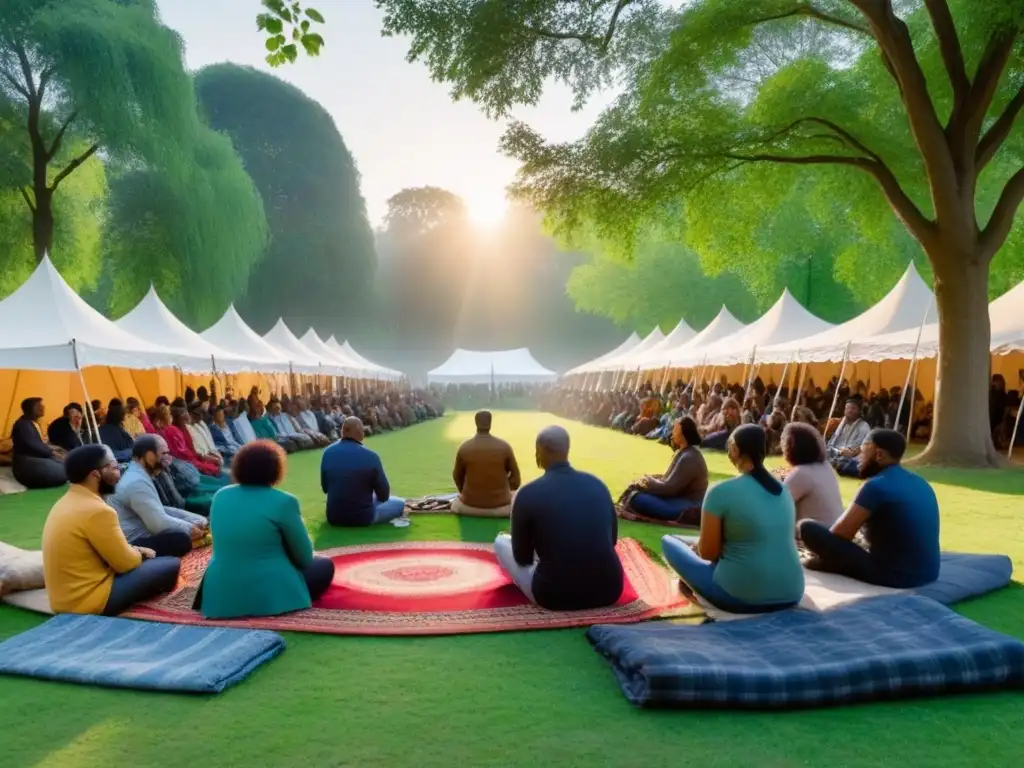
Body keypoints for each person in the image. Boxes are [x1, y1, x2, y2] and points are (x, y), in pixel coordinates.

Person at [661, 424, 804, 614]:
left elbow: (708, 553)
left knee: (669, 542)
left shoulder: (720, 491)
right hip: (792, 592)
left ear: (735, 449)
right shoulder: (783, 491)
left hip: (739, 595)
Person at [196, 441, 335, 619]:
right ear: (276, 469)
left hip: (220, 594)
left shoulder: (221, 496)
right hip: (267, 595)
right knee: (323, 565)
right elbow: (305, 557)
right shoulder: (284, 501)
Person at [41, 444, 181, 615]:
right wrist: (140, 554)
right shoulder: (97, 510)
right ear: (95, 475)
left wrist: (135, 550)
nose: (118, 474)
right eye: (114, 467)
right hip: (86, 602)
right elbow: (125, 564)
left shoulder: (64, 502)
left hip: (62, 601)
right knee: (171, 565)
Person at [494, 426, 623, 610]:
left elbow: (522, 558)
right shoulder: (597, 484)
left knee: (501, 542)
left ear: (539, 451)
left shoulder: (527, 493)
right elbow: (611, 540)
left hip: (554, 596)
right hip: (610, 590)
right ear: (566, 450)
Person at [799, 429, 940, 588]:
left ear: (879, 455)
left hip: (894, 576)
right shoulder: (921, 482)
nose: (859, 460)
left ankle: (834, 565)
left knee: (808, 528)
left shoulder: (875, 485)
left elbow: (840, 533)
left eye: (863, 454)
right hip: (930, 572)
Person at [109, 435, 208, 558]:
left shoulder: (138, 474)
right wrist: (190, 528)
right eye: (164, 453)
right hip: (134, 545)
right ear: (149, 455)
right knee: (181, 540)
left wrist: (195, 519)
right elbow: (159, 524)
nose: (168, 457)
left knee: (197, 523)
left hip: (146, 531)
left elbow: (160, 509)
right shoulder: (136, 482)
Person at [623, 416, 708, 525]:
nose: (672, 433)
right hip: (678, 499)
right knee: (638, 494)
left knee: (637, 498)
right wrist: (652, 479)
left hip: (690, 505)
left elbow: (669, 489)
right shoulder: (685, 452)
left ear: (682, 433)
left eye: (675, 429)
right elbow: (669, 479)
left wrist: (649, 482)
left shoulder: (690, 457)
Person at [321, 417, 404, 526]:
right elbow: (384, 495)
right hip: (364, 517)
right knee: (400, 503)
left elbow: (325, 488)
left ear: (342, 432)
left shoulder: (327, 453)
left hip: (334, 517)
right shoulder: (371, 456)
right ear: (360, 432)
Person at [451, 411, 522, 518]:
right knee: (517, 497)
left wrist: (468, 493)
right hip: (502, 508)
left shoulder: (464, 447)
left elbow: (457, 476)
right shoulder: (504, 446)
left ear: (476, 423)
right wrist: (503, 490)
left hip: (469, 507)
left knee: (455, 504)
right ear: (490, 423)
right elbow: (516, 479)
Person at [781, 422, 844, 529]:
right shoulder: (825, 466)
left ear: (790, 447)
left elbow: (773, 508)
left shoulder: (802, 473)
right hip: (834, 531)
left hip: (816, 537)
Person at [11, 397, 66, 489]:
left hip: (36, 458)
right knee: (63, 471)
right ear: (30, 409)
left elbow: (39, 445)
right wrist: (51, 452)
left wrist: (55, 450)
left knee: (66, 461)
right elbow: (33, 446)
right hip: (26, 464)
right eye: (39, 406)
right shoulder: (23, 425)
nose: (43, 408)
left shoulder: (31, 423)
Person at [827, 399, 871, 477]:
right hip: (838, 454)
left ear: (859, 411)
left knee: (843, 463)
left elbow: (857, 449)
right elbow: (832, 442)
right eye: (847, 408)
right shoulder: (842, 424)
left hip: (852, 458)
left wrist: (845, 452)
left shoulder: (864, 426)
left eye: (853, 408)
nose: (850, 410)